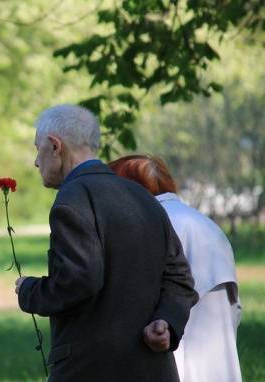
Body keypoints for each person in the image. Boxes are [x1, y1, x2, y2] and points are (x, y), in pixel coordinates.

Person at [15, 104, 198, 381]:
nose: (36, 162)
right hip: (154, 370)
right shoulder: (141, 196)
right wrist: (167, 321)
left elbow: (79, 280)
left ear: (55, 146)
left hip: (91, 368)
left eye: (37, 148)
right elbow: (179, 276)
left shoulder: (73, 199)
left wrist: (28, 290)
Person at [109, 155, 242, 382]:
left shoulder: (151, 225)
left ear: (129, 189)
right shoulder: (205, 223)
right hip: (219, 361)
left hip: (171, 362)